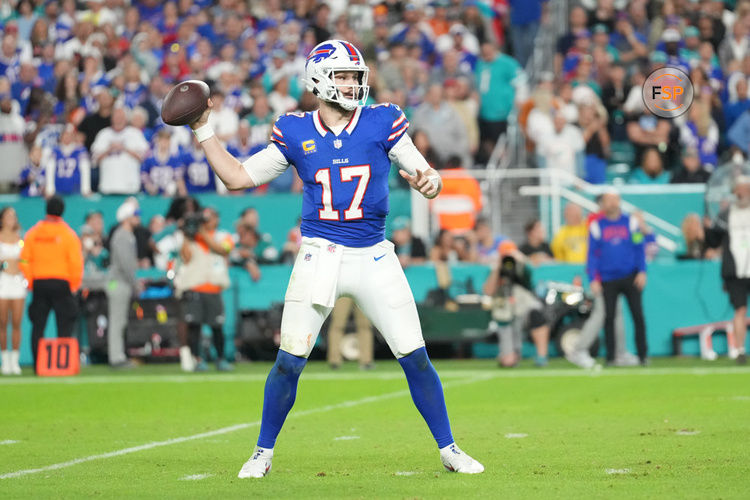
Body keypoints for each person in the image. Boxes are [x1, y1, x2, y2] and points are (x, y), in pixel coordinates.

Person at [184, 39, 483, 476]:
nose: (352, 83)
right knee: (289, 359)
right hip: (319, 253)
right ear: (320, 79)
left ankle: (449, 448)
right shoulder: (295, 130)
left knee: (415, 354)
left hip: (374, 254)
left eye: (355, 76)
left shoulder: (384, 120)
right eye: (343, 75)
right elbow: (236, 177)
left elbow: (426, 172)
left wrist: (430, 185)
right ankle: (262, 452)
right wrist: (202, 130)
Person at [19, 196, 83, 372]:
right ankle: (63, 363)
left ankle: (38, 365)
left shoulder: (33, 233)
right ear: (62, 211)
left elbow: (24, 260)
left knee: (38, 325)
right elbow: (76, 262)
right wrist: (74, 285)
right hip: (62, 282)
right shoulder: (68, 234)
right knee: (65, 323)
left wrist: (31, 281)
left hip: (40, 283)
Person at [587, 190, 648, 366]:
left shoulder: (631, 223)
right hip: (608, 278)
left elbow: (639, 247)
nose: (612, 203)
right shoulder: (597, 226)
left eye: (615, 200)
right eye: (609, 200)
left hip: (630, 276)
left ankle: (642, 355)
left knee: (638, 316)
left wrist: (642, 271)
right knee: (609, 318)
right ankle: (611, 356)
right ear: (603, 203)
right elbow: (592, 255)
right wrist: (593, 278)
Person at [175, 207, 234, 372]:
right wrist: (187, 234)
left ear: (217, 219)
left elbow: (223, 250)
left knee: (217, 326)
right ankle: (197, 359)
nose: (207, 222)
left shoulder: (223, 236)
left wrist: (201, 232)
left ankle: (220, 359)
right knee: (195, 326)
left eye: (210, 218)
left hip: (214, 288)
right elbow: (185, 257)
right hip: (195, 286)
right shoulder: (193, 237)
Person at [483, 240, 550, 368]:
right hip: (504, 314)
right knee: (508, 362)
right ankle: (510, 354)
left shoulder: (521, 267)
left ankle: (542, 356)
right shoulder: (495, 269)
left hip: (523, 309)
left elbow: (530, 278)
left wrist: (521, 260)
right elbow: (488, 291)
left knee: (537, 316)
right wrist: (497, 267)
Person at [706, 176, 750, 364]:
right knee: (739, 309)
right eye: (739, 190)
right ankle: (739, 349)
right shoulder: (726, 214)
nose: (742, 193)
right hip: (735, 271)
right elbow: (713, 241)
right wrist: (707, 228)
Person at [106, 199, 141, 369]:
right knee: (117, 321)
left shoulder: (126, 235)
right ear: (127, 217)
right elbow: (126, 264)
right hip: (118, 283)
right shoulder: (122, 236)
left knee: (120, 321)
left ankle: (118, 354)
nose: (139, 217)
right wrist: (135, 283)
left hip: (121, 282)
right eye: (135, 214)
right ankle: (116, 357)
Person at [0, 207, 25, 375]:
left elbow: (26, 260)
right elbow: (4, 263)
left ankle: (15, 361)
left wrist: (19, 266)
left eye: (13, 216)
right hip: (2, 282)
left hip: (18, 282)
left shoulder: (21, 239)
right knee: (2, 322)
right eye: (8, 216)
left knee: (16, 321)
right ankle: (5, 360)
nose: (11, 219)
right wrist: (7, 265)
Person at [326, 296, 374, 370]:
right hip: (344, 289)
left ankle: (366, 361)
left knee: (365, 325)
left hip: (361, 289)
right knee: (338, 325)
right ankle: (334, 361)